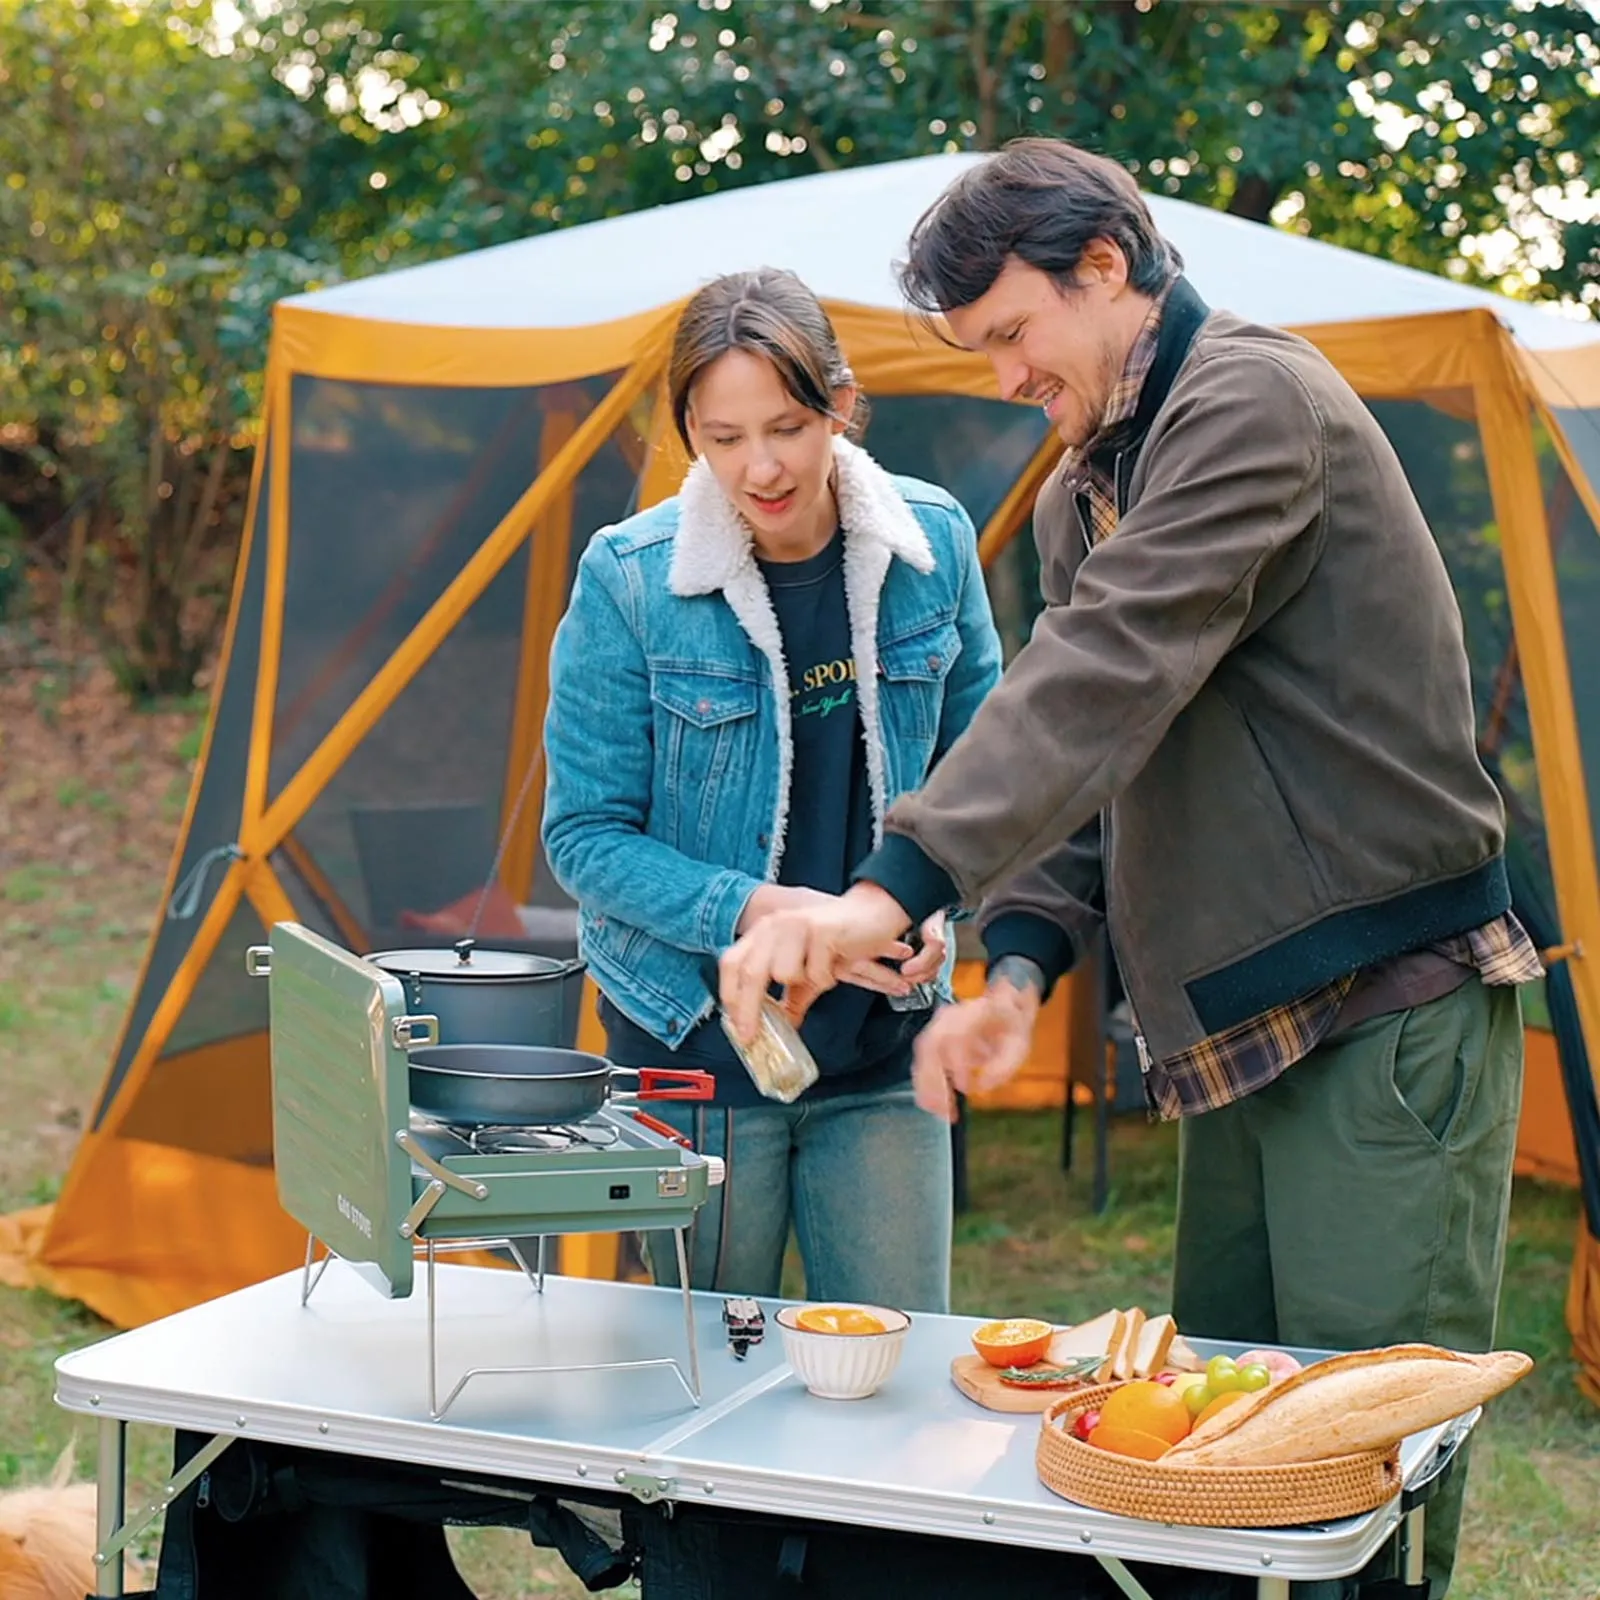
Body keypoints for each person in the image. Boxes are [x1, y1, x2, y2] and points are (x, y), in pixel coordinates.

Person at [717, 141, 1540, 1595]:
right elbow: (1110, 755)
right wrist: (1020, 965)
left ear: (1108, 266)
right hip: (1245, 1036)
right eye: (977, 352)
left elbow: (1101, 670)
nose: (1003, 379)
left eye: (1013, 335)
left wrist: (886, 887)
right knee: (1208, 1477)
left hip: (1390, 1019)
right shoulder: (1081, 493)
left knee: (1362, 1496)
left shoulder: (1253, 406)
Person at [541, 267, 1003, 1313]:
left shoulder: (933, 548)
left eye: (788, 426)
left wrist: (934, 906)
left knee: (891, 1377)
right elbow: (583, 835)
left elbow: (992, 783)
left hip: (884, 1052)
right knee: (697, 1400)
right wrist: (761, 908)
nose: (760, 466)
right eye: (723, 436)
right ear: (689, 434)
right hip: (689, 1055)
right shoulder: (627, 576)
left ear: (841, 403)